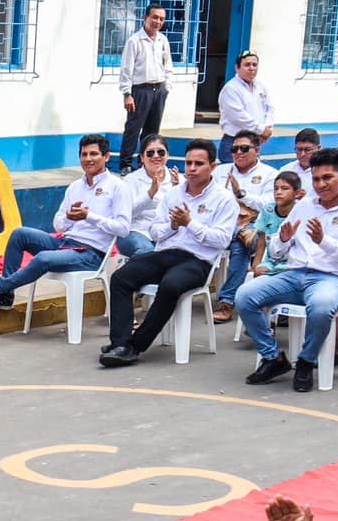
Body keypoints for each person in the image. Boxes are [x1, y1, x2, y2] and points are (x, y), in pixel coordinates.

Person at [235, 149, 338, 394]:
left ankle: (306, 360)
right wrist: (282, 239)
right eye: (316, 179)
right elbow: (278, 253)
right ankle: (273, 358)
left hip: (333, 278)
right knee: (245, 296)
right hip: (294, 273)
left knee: (321, 306)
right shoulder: (304, 206)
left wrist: (325, 242)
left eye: (328, 178)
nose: (321, 185)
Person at [100, 139, 239, 367]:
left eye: (199, 164)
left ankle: (135, 345)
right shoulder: (173, 194)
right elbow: (155, 230)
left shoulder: (224, 200)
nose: (192, 169)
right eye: (189, 163)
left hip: (198, 260)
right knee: (121, 277)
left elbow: (222, 240)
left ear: (212, 167)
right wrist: (173, 226)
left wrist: (190, 223)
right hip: (165, 253)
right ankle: (120, 343)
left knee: (171, 285)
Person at [0, 136, 128, 312]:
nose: (88, 159)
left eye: (94, 154)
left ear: (106, 157)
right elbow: (58, 225)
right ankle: (5, 296)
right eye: (84, 154)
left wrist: (89, 216)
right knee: (19, 234)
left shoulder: (117, 186)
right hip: (65, 243)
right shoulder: (75, 187)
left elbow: (123, 229)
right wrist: (69, 219)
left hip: (91, 254)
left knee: (43, 258)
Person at [213, 128, 277, 320]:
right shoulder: (221, 171)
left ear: (257, 150)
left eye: (244, 148)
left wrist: (241, 194)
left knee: (241, 244)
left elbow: (268, 205)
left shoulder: (270, 174)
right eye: (234, 149)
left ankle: (226, 302)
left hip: (251, 225)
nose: (238, 153)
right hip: (222, 224)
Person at [116, 4, 172, 172]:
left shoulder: (163, 40)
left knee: (152, 130)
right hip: (140, 90)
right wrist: (127, 93)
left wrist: (167, 86)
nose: (158, 21)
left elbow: (168, 65)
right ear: (145, 18)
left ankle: (144, 164)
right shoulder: (134, 41)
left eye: (161, 18)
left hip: (159, 89)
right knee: (133, 128)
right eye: (154, 17)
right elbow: (127, 70)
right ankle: (125, 164)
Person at [118, 139, 181, 258]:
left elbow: (184, 212)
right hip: (137, 230)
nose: (156, 156)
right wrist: (151, 192)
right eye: (150, 153)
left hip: (166, 232)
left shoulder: (179, 180)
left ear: (167, 155)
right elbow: (126, 213)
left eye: (161, 152)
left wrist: (177, 190)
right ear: (142, 157)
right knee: (147, 252)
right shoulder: (131, 180)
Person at [215, 52, 273, 162]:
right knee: (233, 177)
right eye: (247, 65)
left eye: (254, 65)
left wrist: (266, 128)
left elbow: (269, 108)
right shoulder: (231, 89)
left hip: (254, 141)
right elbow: (238, 117)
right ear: (237, 68)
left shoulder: (261, 86)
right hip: (234, 142)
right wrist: (260, 129)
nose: (251, 68)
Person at [279, 127, 322, 196]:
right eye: (299, 150)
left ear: (318, 148)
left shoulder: (324, 172)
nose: (303, 154)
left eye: (308, 150)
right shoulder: (286, 170)